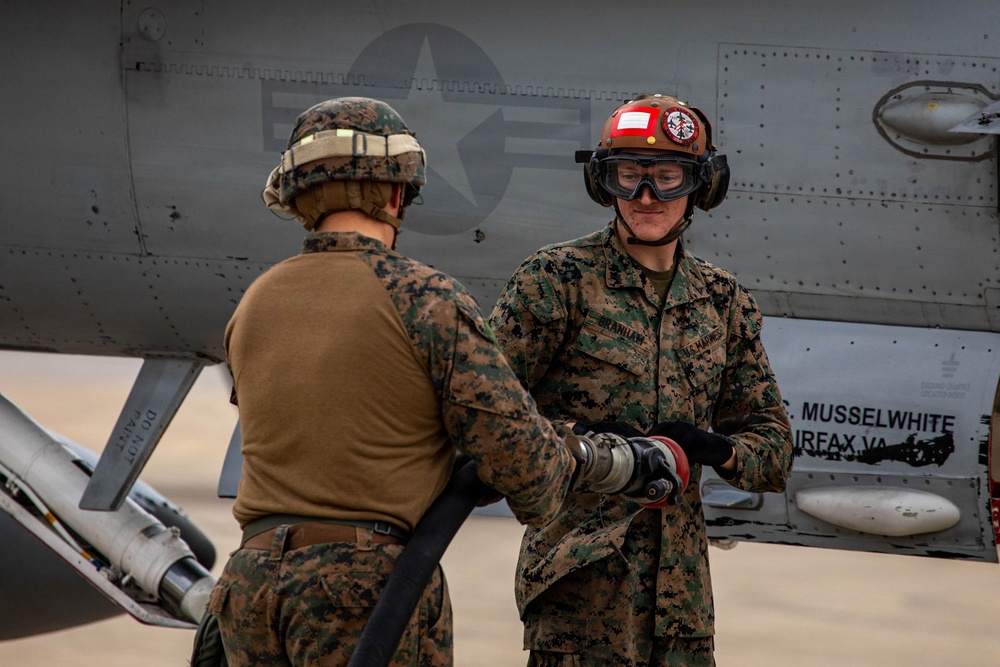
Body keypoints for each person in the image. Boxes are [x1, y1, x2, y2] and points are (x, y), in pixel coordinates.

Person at [208, 96, 683, 667]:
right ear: (394, 192)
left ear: (300, 194)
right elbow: (526, 468)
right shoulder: (423, 298)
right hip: (365, 594)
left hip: (247, 591)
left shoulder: (255, 302)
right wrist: (612, 461)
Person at [488, 94, 794, 666]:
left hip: (681, 612)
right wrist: (581, 443)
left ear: (702, 188)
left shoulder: (722, 300)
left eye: (667, 178)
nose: (645, 197)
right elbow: (486, 413)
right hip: (577, 596)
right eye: (627, 177)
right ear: (602, 183)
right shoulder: (556, 281)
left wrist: (714, 447)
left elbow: (773, 451)